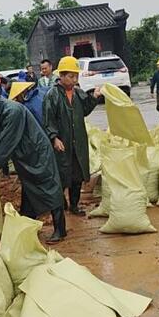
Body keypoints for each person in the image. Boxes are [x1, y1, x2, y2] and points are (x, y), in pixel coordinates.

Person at [0, 87, 67, 243]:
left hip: (38, 155)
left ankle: (60, 229)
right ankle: (26, 228)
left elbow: (7, 139)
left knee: (51, 190)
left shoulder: (13, 111)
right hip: (26, 157)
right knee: (29, 190)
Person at [42, 56, 99, 216]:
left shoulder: (78, 93)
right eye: (71, 76)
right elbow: (48, 119)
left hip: (78, 142)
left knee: (77, 175)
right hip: (62, 142)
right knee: (61, 174)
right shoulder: (52, 95)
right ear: (61, 76)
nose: (74, 80)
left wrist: (94, 98)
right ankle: (61, 202)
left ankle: (74, 205)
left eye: (76, 76)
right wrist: (54, 138)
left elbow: (85, 110)